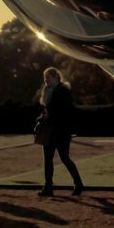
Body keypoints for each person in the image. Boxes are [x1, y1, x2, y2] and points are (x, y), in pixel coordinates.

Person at [37, 67, 84, 197]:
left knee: (64, 157)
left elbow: (64, 111)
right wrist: (44, 116)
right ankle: (48, 187)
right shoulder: (47, 91)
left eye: (48, 77)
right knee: (48, 159)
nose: (46, 80)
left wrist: (48, 116)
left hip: (62, 130)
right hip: (50, 130)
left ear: (56, 77)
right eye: (45, 77)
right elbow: (49, 110)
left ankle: (78, 183)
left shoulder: (63, 91)